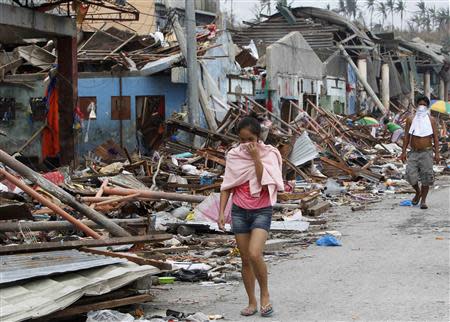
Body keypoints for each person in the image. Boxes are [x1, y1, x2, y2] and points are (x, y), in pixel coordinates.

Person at [218, 113, 283, 318]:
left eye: (251, 140)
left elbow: (265, 179)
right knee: (245, 259)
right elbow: (227, 185)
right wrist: (221, 212)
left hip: (261, 210)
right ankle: (251, 301)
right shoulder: (233, 155)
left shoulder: (269, 154)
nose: (246, 144)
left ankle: (265, 295)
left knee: (255, 254)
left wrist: (256, 158)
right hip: (239, 211)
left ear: (258, 138)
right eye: (243, 140)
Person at [400, 96, 440, 209]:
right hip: (413, 152)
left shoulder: (431, 120)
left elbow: (435, 138)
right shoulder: (410, 119)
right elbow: (407, 137)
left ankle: (423, 200)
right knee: (410, 175)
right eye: (420, 104)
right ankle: (418, 192)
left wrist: (437, 153)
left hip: (426, 152)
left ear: (427, 107)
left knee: (426, 177)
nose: (422, 107)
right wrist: (403, 152)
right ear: (416, 106)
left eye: (424, 105)